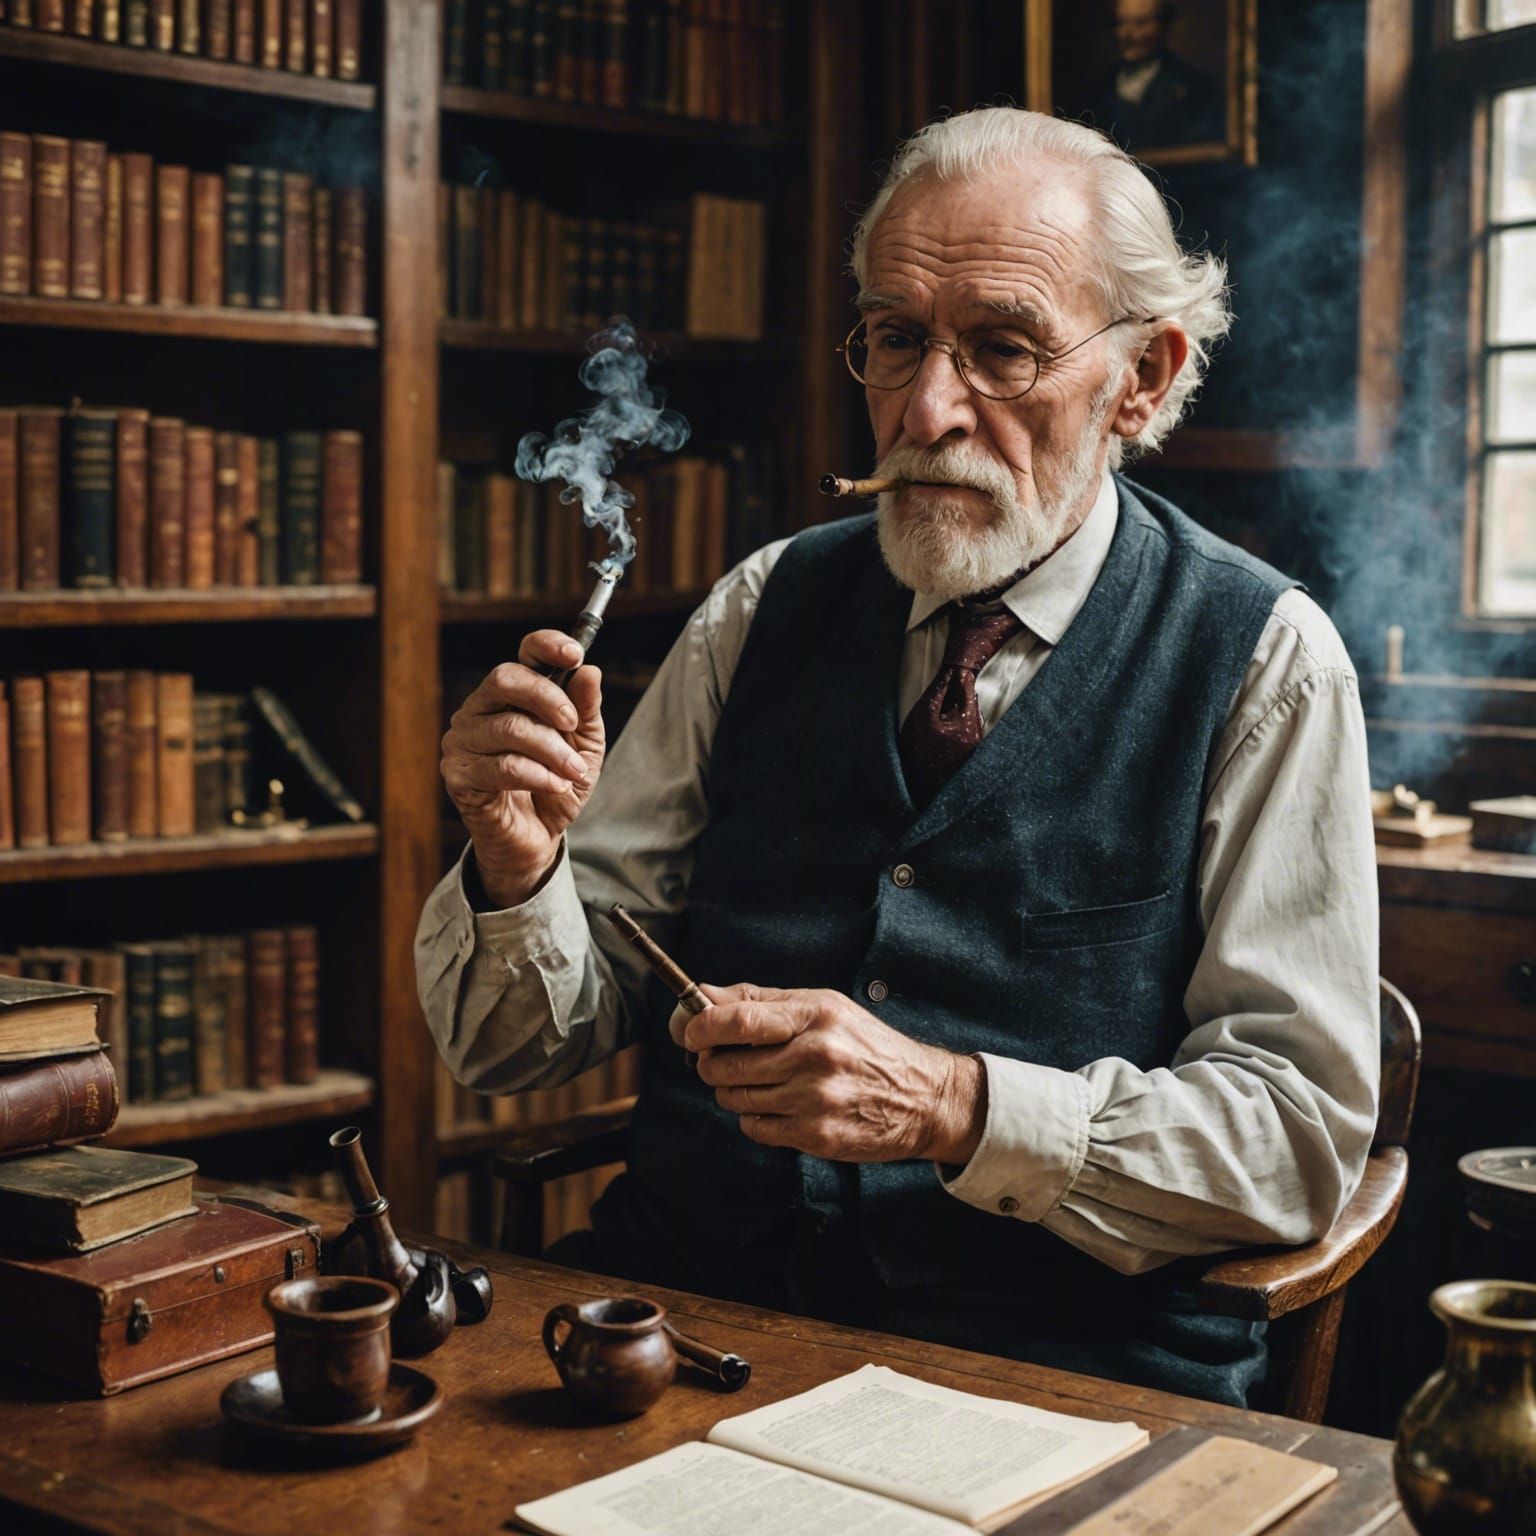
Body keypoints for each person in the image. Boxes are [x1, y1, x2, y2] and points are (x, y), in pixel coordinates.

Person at [417, 106, 1378, 1408]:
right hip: (688, 1340)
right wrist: (515, 869)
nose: (928, 409)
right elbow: (511, 1049)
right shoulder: (765, 605)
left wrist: (957, 1107)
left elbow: (1298, 1141)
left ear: (1141, 379)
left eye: (1002, 348)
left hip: (1052, 1379)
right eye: (896, 340)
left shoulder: (1264, 660)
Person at [1084, 0, 1226, 151]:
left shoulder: (1194, 85)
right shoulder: (1099, 84)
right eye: (1121, 23)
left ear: (1164, 27)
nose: (1127, 34)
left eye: (1140, 24)